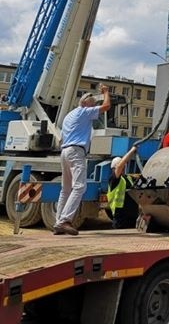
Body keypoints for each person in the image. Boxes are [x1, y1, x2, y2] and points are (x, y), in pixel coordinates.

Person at [54, 84, 111, 235]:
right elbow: (106, 106)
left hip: (65, 151)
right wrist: (105, 92)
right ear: (85, 103)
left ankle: (57, 222)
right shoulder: (84, 112)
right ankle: (65, 220)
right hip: (76, 151)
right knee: (79, 186)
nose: (94, 109)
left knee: (65, 190)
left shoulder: (69, 116)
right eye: (92, 105)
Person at [107, 145, 139, 229]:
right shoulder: (114, 179)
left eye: (124, 167)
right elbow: (119, 166)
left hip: (133, 218)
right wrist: (132, 150)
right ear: (113, 168)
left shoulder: (128, 178)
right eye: (121, 166)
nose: (123, 168)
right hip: (120, 219)